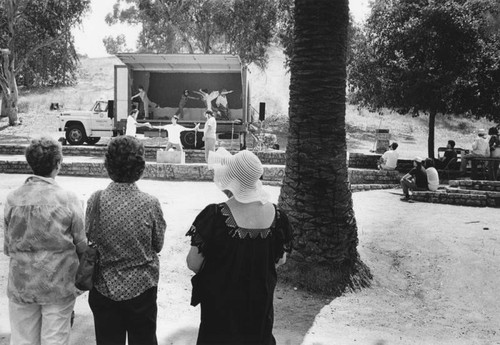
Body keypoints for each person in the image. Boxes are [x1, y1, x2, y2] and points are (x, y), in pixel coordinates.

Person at [186, 148, 293, 345]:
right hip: (259, 305)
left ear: (231, 178)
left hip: (221, 307)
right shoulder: (278, 217)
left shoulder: (215, 216)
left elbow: (194, 263)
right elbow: (281, 259)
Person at [4, 136, 86, 345]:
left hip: (22, 284)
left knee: (22, 340)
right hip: (58, 283)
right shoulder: (68, 198)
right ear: (58, 164)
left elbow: (7, 246)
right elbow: (81, 243)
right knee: (55, 339)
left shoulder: (13, 199)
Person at [87, 136, 166, 345]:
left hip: (104, 286)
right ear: (140, 168)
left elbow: (90, 236)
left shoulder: (95, 200)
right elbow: (158, 244)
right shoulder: (149, 203)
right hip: (141, 287)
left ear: (108, 166)